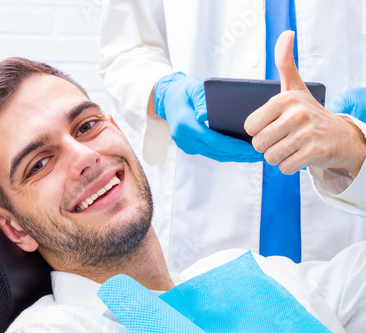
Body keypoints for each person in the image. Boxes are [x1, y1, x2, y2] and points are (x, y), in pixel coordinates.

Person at [0, 32, 366, 332]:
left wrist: (353, 148)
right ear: (13, 226)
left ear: (118, 129)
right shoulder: (55, 328)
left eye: (87, 125)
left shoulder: (261, 275)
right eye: (39, 164)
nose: (85, 157)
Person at [100, 0, 366, 270]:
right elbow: (125, 48)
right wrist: (163, 91)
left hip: (347, 185)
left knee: (339, 293)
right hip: (206, 197)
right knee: (210, 301)